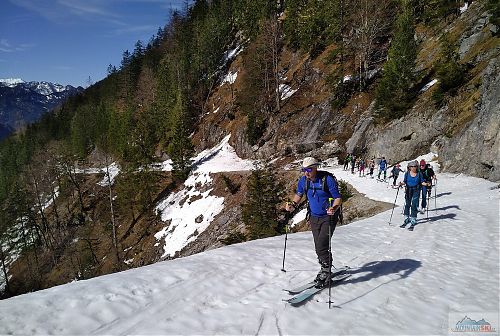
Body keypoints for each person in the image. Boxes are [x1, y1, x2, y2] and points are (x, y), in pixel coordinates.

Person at [285, 157, 342, 286]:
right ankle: (325, 266)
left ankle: (326, 271)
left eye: (309, 169)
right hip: (314, 216)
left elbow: (338, 198)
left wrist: (333, 208)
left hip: (328, 217)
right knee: (318, 246)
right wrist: (292, 205)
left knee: (322, 245)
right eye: (304, 170)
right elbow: (299, 194)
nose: (306, 172)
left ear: (315, 167)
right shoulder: (304, 181)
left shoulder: (327, 180)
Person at [399, 160, 431, 229]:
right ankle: (406, 218)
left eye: (415, 166)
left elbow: (422, 182)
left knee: (414, 204)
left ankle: (413, 219)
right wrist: (401, 184)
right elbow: (405, 181)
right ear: (409, 167)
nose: (414, 168)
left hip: (416, 190)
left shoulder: (419, 174)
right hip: (408, 190)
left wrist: (427, 184)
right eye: (412, 166)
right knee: (407, 204)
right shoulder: (407, 174)